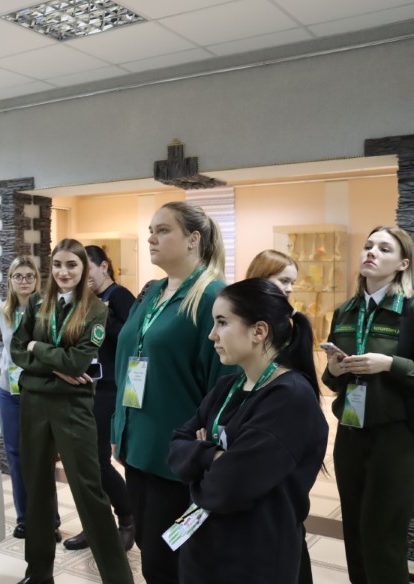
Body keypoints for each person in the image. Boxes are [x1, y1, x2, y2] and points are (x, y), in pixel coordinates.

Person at [168, 278, 328, 583]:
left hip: (253, 559)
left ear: (259, 331)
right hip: (205, 547)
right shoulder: (227, 386)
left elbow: (229, 486)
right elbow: (176, 448)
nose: (212, 335)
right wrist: (214, 456)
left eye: (222, 322)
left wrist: (201, 459)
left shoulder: (289, 397)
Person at [112, 201, 237, 584]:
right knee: (151, 551)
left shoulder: (212, 296)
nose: (151, 238)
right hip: (137, 448)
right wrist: (119, 428)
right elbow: (128, 360)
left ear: (193, 239)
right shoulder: (152, 293)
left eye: (163, 230)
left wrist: (209, 450)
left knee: (171, 561)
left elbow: (226, 382)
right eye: (151, 230)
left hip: (178, 460)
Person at [11, 239, 134, 584]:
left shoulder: (95, 309)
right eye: (58, 265)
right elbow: (17, 350)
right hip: (34, 404)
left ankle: (118, 578)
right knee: (36, 491)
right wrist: (53, 363)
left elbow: (78, 362)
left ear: (84, 269)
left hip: (72, 405)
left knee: (89, 492)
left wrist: (37, 348)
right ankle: (38, 574)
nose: (64, 272)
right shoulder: (38, 303)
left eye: (72, 265)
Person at [321, 225, 414, 584]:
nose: (372, 252)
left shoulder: (409, 310)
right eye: (369, 245)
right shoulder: (345, 311)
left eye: (385, 249)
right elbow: (333, 381)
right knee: (355, 532)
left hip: (396, 437)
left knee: (382, 536)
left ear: (403, 263)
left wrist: (389, 364)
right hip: (349, 432)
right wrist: (333, 370)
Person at [244, 248, 314, 584]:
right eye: (283, 280)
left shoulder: (289, 330)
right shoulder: (238, 322)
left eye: (292, 283)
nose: (289, 289)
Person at [63, 245, 136, 552]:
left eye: (88, 269)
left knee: (99, 462)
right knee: (85, 464)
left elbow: (131, 338)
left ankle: (127, 518)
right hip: (84, 388)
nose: (84, 276)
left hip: (109, 389)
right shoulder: (83, 301)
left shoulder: (119, 296)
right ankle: (94, 524)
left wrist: (102, 314)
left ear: (104, 267)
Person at [0, 256, 62, 541]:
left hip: (39, 392)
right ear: (10, 280)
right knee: (16, 456)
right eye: (18, 276)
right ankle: (24, 518)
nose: (23, 281)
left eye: (29, 276)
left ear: (37, 280)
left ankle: (50, 519)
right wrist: (2, 361)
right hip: (10, 393)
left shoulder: (47, 310)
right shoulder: (3, 312)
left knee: (43, 457)